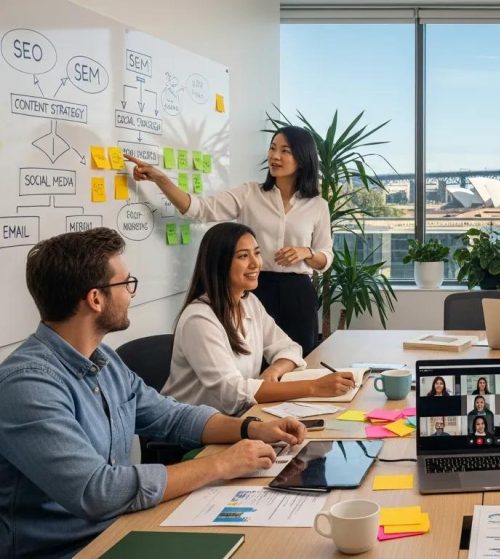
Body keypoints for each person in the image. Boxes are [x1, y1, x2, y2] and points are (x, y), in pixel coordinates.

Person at [0, 228, 306, 558]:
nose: (131, 294)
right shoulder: (28, 386)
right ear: (95, 299)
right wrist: (221, 464)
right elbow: (96, 491)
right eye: (126, 284)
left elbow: (172, 416)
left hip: (122, 526)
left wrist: (251, 428)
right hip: (69, 549)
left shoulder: (104, 361)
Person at [125, 125, 331, 356]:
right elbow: (199, 209)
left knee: (300, 358)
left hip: (298, 293)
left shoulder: (318, 206)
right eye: (272, 148)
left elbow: (326, 258)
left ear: (302, 158)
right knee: (249, 358)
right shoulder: (249, 193)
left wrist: (307, 252)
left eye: (285, 151)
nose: (275, 156)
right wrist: (161, 179)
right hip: (254, 287)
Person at [162, 223, 354, 415]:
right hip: (192, 428)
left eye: (257, 253)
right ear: (219, 263)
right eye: (243, 256)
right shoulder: (199, 319)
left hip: (237, 417)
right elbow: (233, 393)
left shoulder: (249, 302)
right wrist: (314, 387)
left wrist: (273, 370)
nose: (256, 264)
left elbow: (289, 348)